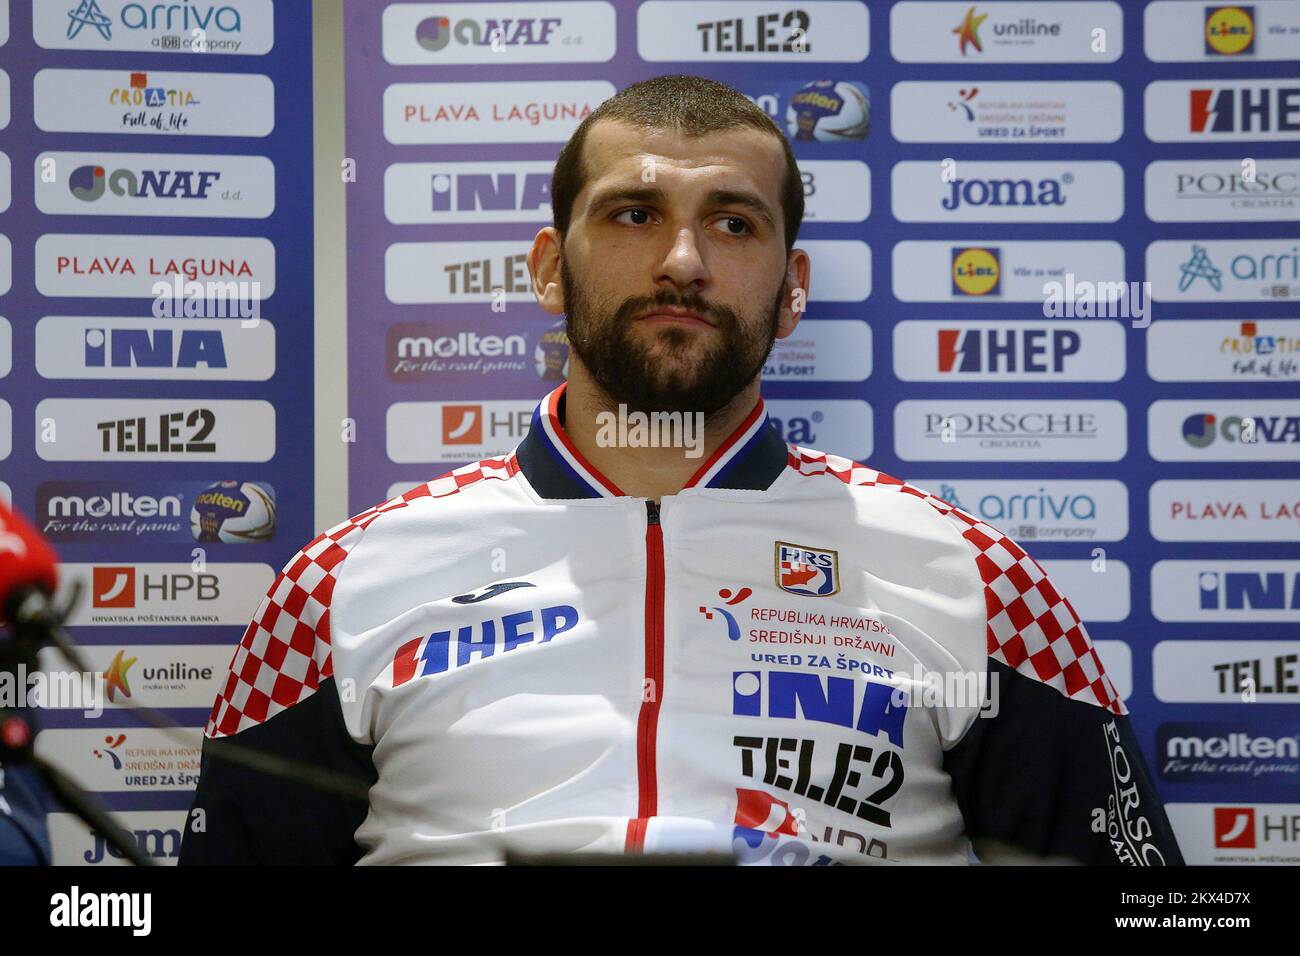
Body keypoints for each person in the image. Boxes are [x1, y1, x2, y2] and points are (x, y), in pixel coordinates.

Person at [179, 75, 1182, 866]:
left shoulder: (970, 573)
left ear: (791, 290)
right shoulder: (340, 583)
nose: (684, 261)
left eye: (733, 223)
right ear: (545, 267)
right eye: (631, 215)